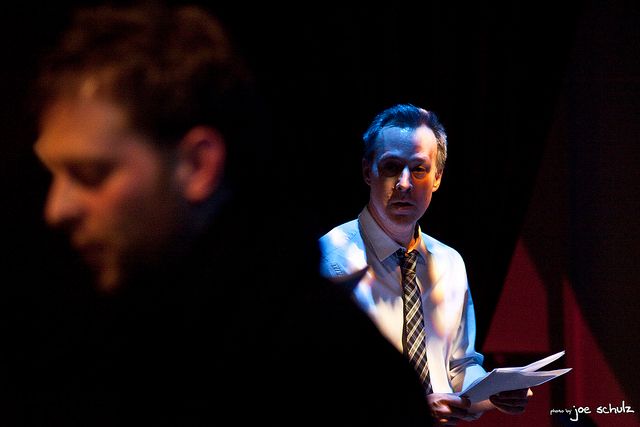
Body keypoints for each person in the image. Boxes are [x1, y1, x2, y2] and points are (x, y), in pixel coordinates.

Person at [19, 3, 434, 425]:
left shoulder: (330, 370)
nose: (56, 209)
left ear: (197, 165)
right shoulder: (99, 336)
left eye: (90, 174)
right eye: (53, 174)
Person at [319, 103, 532, 425]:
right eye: (391, 167)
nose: (404, 183)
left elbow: (459, 368)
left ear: (437, 178)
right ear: (367, 171)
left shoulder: (449, 263)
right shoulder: (330, 258)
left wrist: (494, 391)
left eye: (419, 169)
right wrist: (408, 407)